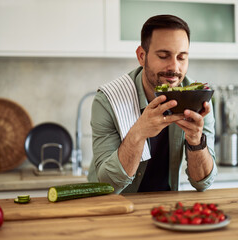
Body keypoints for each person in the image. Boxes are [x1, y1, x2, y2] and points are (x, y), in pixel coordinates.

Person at [88, 14, 217, 193]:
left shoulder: (198, 99)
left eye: (181, 57)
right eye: (164, 56)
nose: (174, 67)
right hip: (113, 207)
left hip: (164, 209)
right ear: (142, 56)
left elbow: (203, 183)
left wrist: (196, 142)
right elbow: (107, 186)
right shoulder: (108, 100)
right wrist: (139, 132)